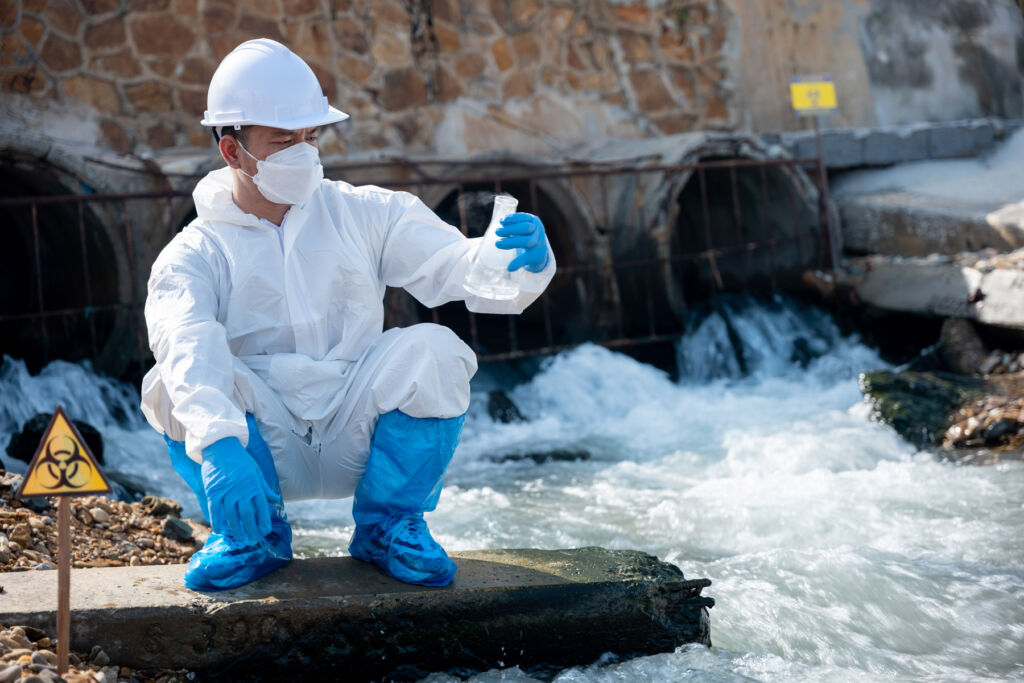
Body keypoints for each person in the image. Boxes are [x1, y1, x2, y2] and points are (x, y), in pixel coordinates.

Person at [140, 38, 555, 591]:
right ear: (232, 151)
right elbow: (185, 340)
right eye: (283, 140)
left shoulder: (365, 212)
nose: (304, 152)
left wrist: (520, 262)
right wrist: (217, 445)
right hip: (258, 446)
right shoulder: (196, 252)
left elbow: (459, 267)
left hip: (356, 432)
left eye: (312, 136)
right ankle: (251, 537)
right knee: (168, 383)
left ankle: (389, 528)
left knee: (435, 350)